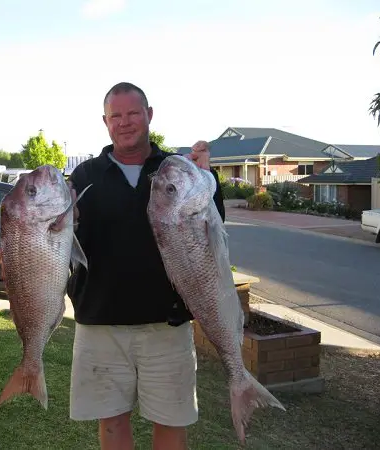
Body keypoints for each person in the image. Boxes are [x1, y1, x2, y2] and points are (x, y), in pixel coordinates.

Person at [66, 82, 225, 450]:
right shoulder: (85, 177)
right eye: (116, 115)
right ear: (105, 122)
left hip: (166, 325)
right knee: (112, 424)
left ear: (149, 115)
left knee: (171, 423)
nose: (125, 122)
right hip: (100, 323)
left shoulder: (178, 171)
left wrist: (209, 180)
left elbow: (213, 235)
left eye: (133, 113)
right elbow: (65, 243)